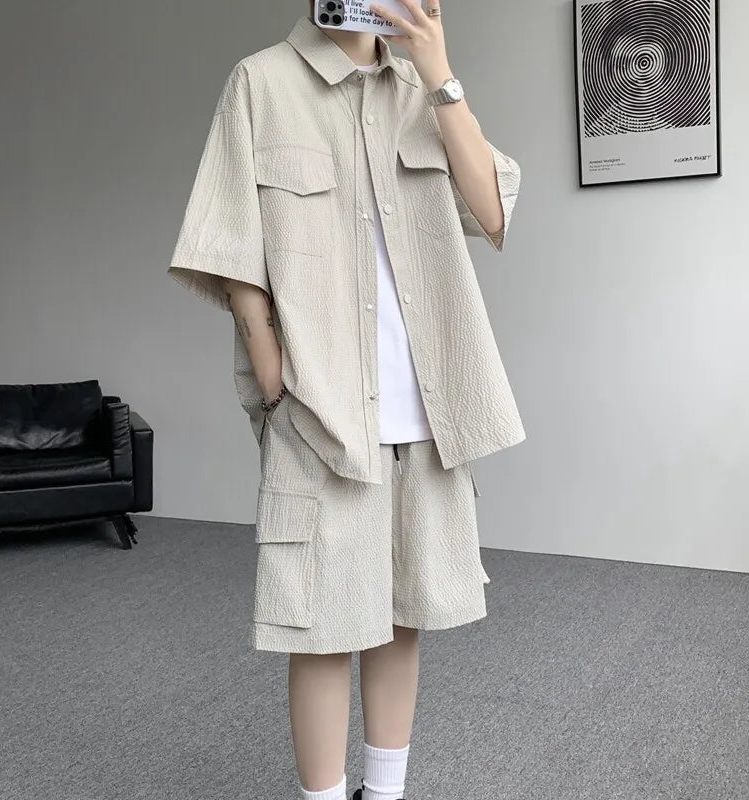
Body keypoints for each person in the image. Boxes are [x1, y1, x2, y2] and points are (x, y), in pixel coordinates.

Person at [167, 1, 526, 798]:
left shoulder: (422, 90)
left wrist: (439, 70)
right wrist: (273, 374)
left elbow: (493, 211)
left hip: (426, 416)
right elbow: (228, 241)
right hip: (320, 411)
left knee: (403, 617)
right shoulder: (261, 83)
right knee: (323, 630)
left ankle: (386, 791)